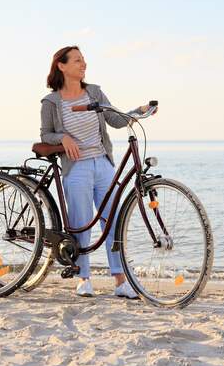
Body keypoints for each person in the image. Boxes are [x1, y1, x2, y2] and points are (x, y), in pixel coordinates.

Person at [40, 45, 155, 298]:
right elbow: (45, 134)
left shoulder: (94, 92)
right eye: (78, 60)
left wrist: (137, 112)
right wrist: (62, 138)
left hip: (102, 164)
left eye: (84, 60)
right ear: (62, 65)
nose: (83, 64)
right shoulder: (51, 102)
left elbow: (114, 120)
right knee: (80, 225)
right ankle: (83, 278)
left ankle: (120, 281)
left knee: (112, 221)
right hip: (76, 167)